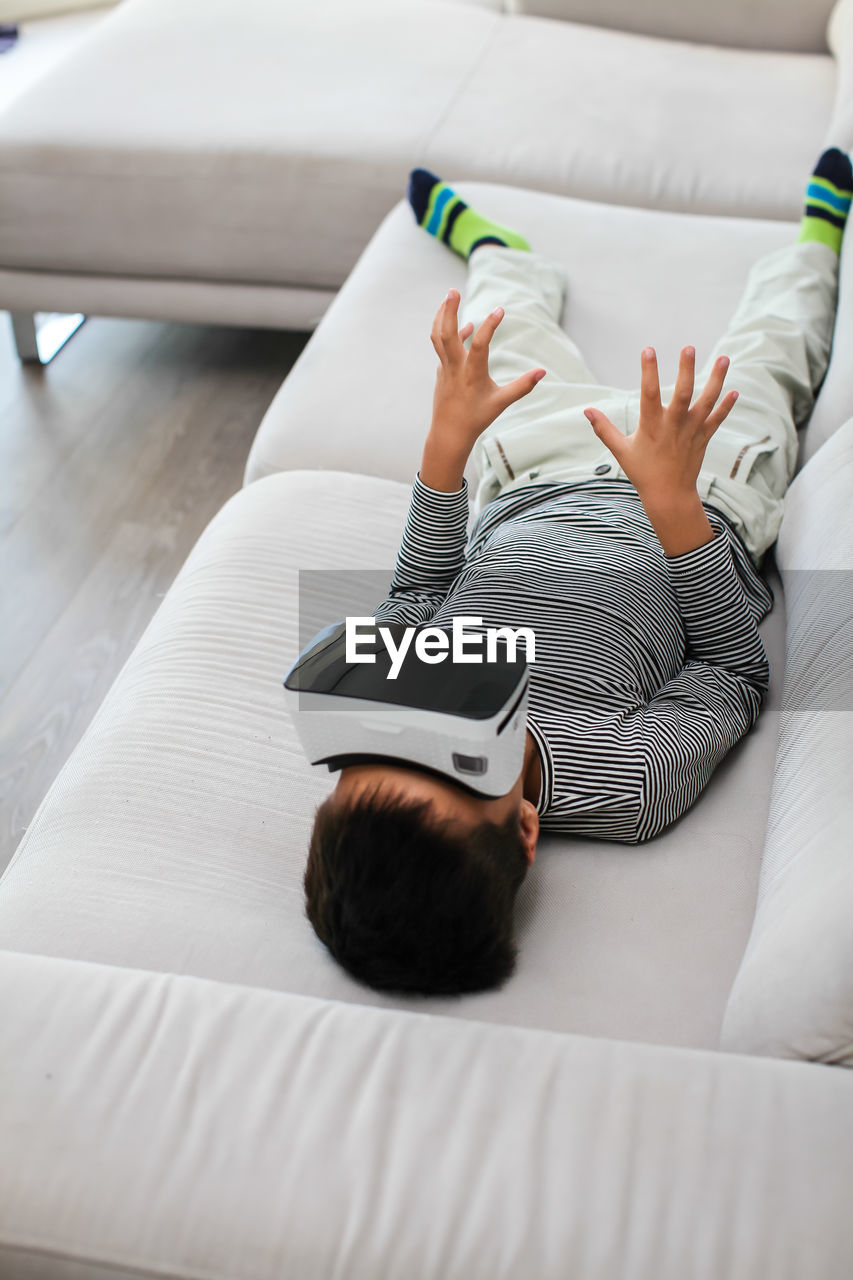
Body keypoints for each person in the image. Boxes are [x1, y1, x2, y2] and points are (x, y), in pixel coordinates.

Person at [303, 149, 853, 997]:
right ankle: (818, 244)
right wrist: (673, 503)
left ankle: (500, 253)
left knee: (498, 337)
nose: (421, 712)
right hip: (700, 494)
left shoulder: (384, 702)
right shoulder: (626, 783)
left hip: (533, 472)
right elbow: (731, 672)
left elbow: (418, 594)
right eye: (456, 754)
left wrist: (445, 450)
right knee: (770, 353)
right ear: (524, 828)